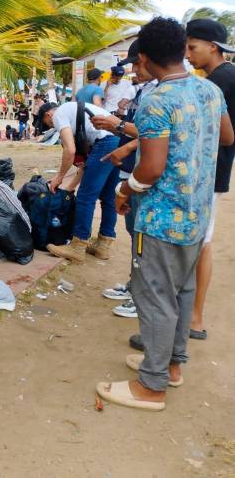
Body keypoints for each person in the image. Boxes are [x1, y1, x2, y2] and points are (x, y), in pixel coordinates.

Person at [96, 17, 234, 412]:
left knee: (153, 295)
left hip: (160, 217)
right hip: (196, 214)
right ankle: (172, 366)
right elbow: (227, 137)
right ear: (180, 50)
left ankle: (151, 385)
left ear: (143, 57)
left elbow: (151, 169)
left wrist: (125, 190)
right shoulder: (209, 89)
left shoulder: (158, 100)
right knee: (181, 290)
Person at [91, 39, 154, 315]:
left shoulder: (163, 94)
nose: (132, 72)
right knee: (134, 233)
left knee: (145, 238)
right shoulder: (144, 90)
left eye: (137, 64)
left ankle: (142, 297)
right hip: (131, 167)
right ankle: (134, 285)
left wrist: (117, 124)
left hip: (144, 175)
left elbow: (156, 136)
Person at [180, 18, 235, 340]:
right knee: (202, 243)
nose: (188, 54)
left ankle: (195, 317)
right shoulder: (220, 77)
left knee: (202, 244)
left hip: (209, 173)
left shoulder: (219, 82)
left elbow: (224, 135)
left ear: (212, 47)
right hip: (212, 172)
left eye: (192, 47)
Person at [37, 97, 121, 263]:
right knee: (108, 197)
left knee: (85, 198)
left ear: (48, 115)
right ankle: (103, 245)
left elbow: (70, 150)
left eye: (48, 124)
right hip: (118, 142)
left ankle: (77, 246)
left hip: (105, 143)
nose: (53, 127)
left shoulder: (59, 114)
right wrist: (69, 188)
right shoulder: (74, 112)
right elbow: (85, 166)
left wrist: (59, 177)